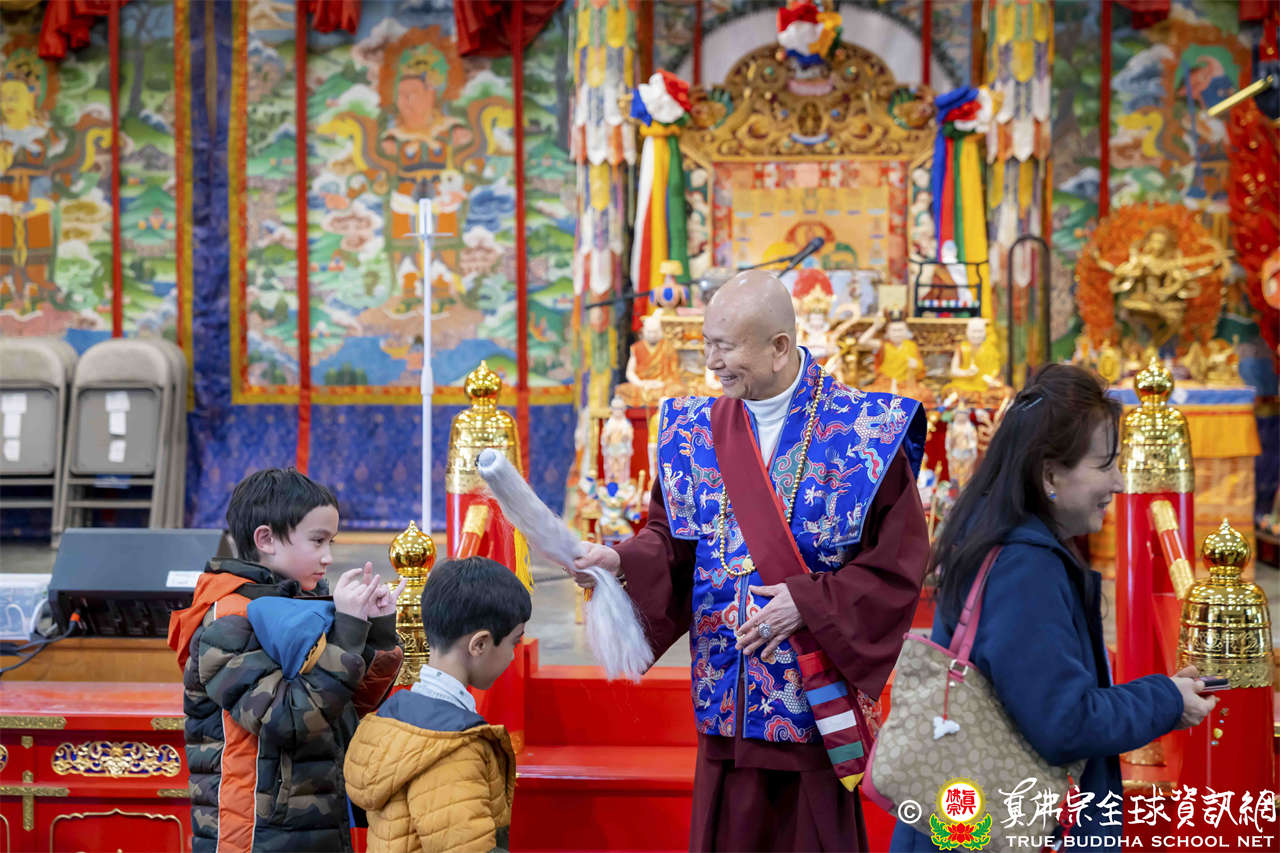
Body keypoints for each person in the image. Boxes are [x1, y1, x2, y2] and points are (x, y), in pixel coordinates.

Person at [573, 269, 930, 851]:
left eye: (725, 346)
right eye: (707, 343)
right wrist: (617, 560)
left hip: (810, 705)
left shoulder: (865, 429)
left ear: (779, 347)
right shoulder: (690, 429)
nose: (711, 361)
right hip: (726, 699)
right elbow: (671, 540)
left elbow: (898, 565)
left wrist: (810, 603)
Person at [889, 364, 1217, 851]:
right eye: (1105, 465)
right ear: (1049, 474)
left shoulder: (999, 536)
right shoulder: (1024, 568)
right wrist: (1166, 699)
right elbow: (1063, 722)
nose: (1120, 483)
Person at [166, 468, 405, 853]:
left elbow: (348, 705)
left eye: (331, 541)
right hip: (254, 832)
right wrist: (345, 634)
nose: (328, 557)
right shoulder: (228, 621)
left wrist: (373, 630)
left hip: (315, 820)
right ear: (266, 539)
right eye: (317, 541)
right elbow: (289, 720)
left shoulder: (306, 603)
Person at [344, 556, 531, 853]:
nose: (512, 655)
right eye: (514, 642)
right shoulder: (452, 748)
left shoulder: (394, 715)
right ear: (480, 644)